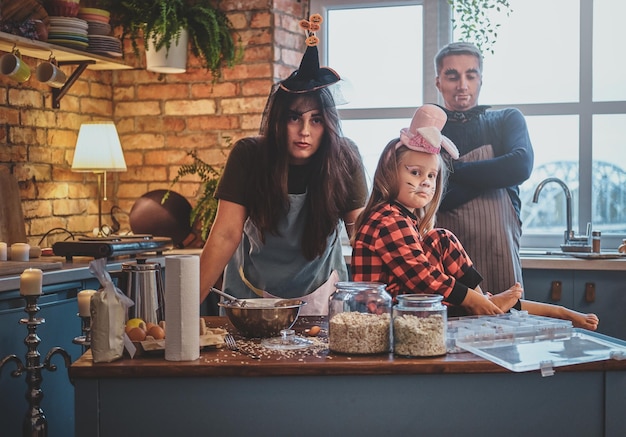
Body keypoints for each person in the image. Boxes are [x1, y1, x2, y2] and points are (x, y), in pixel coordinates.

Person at [351, 104, 598, 330]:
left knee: (442, 238)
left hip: (409, 309)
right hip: (386, 319)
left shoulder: (402, 219)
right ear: (389, 171)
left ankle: (520, 308)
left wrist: (475, 298)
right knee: (464, 296)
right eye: (415, 172)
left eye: (431, 176)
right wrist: (471, 300)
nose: (425, 182)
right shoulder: (388, 219)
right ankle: (487, 306)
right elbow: (423, 278)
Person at [199, 14, 368, 315]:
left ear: (328, 124)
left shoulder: (345, 157)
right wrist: (178, 312)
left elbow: (362, 238)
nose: (305, 131)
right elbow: (225, 235)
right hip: (250, 298)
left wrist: (378, 302)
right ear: (278, 120)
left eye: (316, 120)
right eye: (295, 118)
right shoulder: (248, 156)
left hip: (322, 297)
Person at [433, 42, 534, 295]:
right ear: (439, 82)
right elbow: (428, 197)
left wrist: (451, 173)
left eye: (471, 75)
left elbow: (519, 166)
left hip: (498, 253)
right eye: (452, 75)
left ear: (481, 80)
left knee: (505, 324)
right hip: (443, 258)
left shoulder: (506, 120)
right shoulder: (430, 131)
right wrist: (490, 174)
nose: (462, 85)